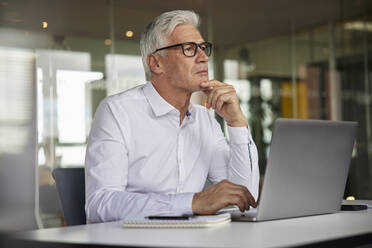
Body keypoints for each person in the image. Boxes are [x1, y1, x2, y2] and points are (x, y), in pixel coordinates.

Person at [85, 10, 259, 223]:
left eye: (203, 48)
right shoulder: (116, 112)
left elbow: (244, 199)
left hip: (194, 239)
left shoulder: (205, 119)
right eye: (189, 49)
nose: (203, 57)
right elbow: (100, 204)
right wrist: (192, 203)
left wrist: (236, 123)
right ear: (156, 63)